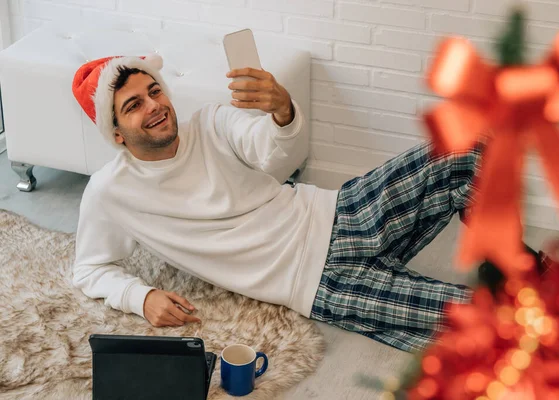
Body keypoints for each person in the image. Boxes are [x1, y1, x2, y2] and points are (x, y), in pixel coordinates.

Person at [71, 54, 484, 353]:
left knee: (468, 148)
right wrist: (140, 298)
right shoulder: (110, 193)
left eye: (154, 91)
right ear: (117, 135)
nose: (154, 106)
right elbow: (89, 269)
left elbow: (272, 151)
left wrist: (282, 111)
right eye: (133, 105)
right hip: (318, 285)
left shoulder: (211, 122)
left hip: (341, 213)